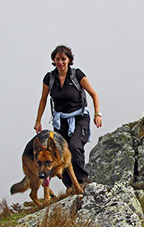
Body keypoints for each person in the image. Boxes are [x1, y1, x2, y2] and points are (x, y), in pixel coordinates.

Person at [34, 45, 102, 189]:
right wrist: (38, 120)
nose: (60, 62)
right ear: (54, 60)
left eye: (63, 59)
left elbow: (94, 94)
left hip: (79, 117)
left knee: (74, 146)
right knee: (59, 154)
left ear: (69, 60)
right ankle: (70, 186)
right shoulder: (49, 78)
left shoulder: (77, 75)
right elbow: (43, 99)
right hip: (60, 121)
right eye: (57, 59)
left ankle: (82, 181)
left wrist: (97, 114)